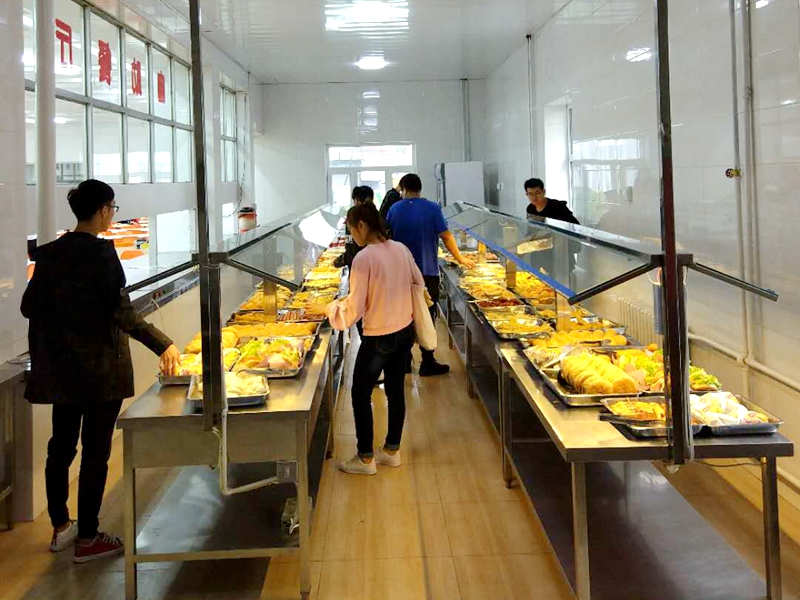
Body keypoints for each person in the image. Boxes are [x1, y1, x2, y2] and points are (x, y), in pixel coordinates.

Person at [21, 180, 181, 563]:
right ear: (104, 210)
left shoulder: (50, 254)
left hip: (62, 370)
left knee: (61, 447)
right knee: (95, 453)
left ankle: (61, 527)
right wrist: (163, 343)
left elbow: (29, 306)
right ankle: (89, 537)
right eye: (113, 208)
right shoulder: (102, 254)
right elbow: (122, 312)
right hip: (100, 372)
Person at [327, 203, 421, 475]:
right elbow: (417, 282)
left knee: (359, 393)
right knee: (395, 390)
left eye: (351, 229)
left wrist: (331, 310)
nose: (352, 235)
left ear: (362, 225)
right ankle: (392, 451)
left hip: (379, 336)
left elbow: (355, 307)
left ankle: (366, 458)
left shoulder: (364, 257)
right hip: (404, 330)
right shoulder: (401, 249)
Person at [386, 174, 474, 376]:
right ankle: (427, 361)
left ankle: (404, 361)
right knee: (427, 315)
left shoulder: (394, 209)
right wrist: (460, 258)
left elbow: (387, 236)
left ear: (404, 189)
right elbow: (446, 236)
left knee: (403, 316)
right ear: (420, 189)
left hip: (401, 272)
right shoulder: (433, 208)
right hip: (427, 271)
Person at [334, 186, 375, 271]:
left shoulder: (353, 219)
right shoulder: (377, 217)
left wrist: (338, 261)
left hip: (358, 269)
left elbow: (350, 250)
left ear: (356, 201)